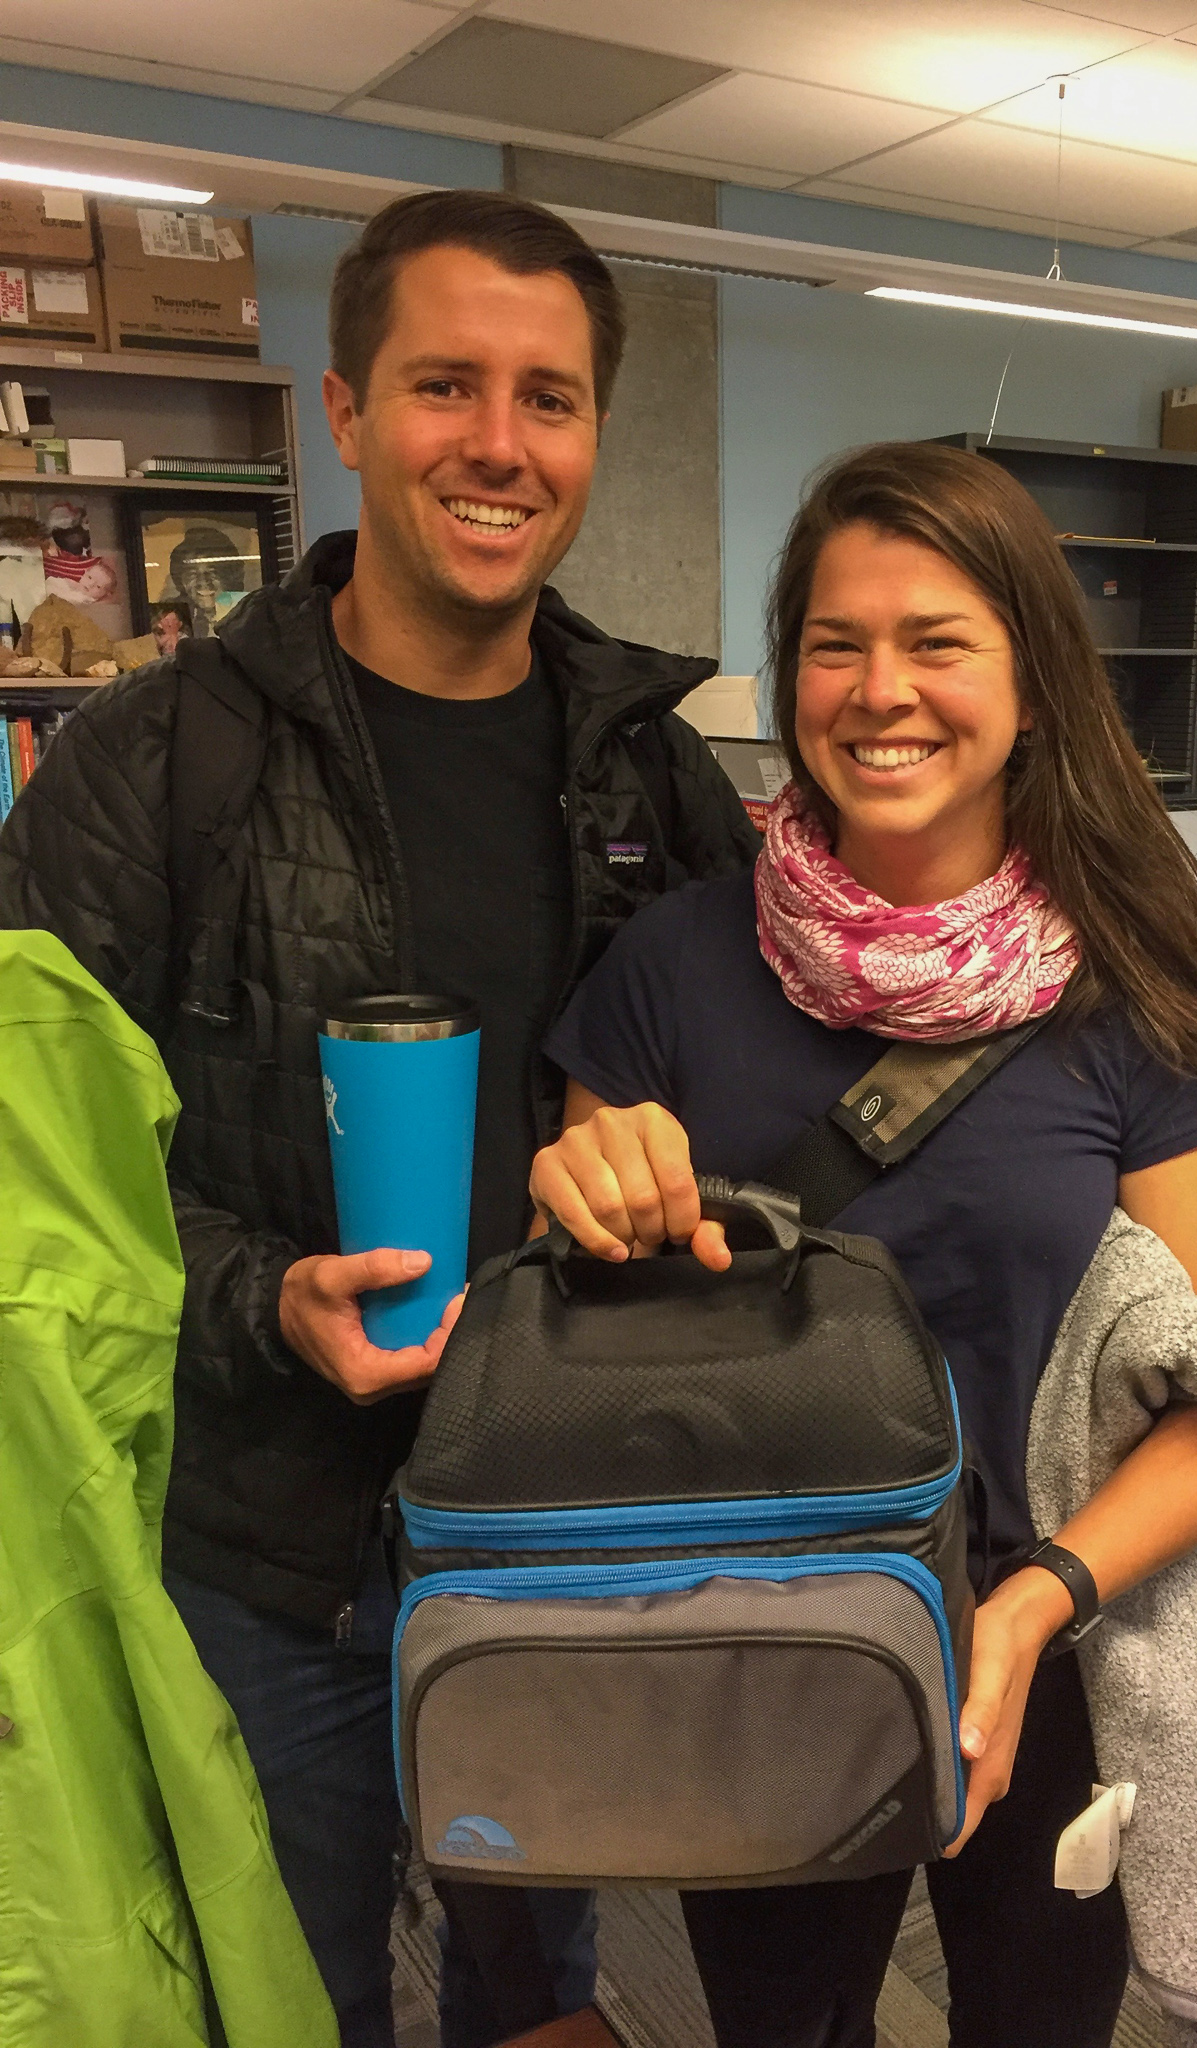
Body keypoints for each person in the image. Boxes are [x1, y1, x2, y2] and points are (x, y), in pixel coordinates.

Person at [0, 187, 758, 2047]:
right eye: (445, 385)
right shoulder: (155, 764)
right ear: (345, 410)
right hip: (269, 1554)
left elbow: (749, 1115)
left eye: (548, 399)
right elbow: (35, 1188)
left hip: (546, 1530)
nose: (499, 444)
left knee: (538, 1992)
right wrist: (264, 1297)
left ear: (591, 435)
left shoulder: (653, 774)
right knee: (289, 2000)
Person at [533, 441, 1197, 2048]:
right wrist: (582, 1203)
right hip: (760, 1637)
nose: (881, 691)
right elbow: (578, 1345)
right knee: (785, 2027)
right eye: (837, 643)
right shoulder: (675, 964)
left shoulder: (1129, 991)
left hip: (1057, 1630)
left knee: (1038, 2021)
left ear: (1031, 680)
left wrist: (1033, 1609)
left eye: (938, 641)